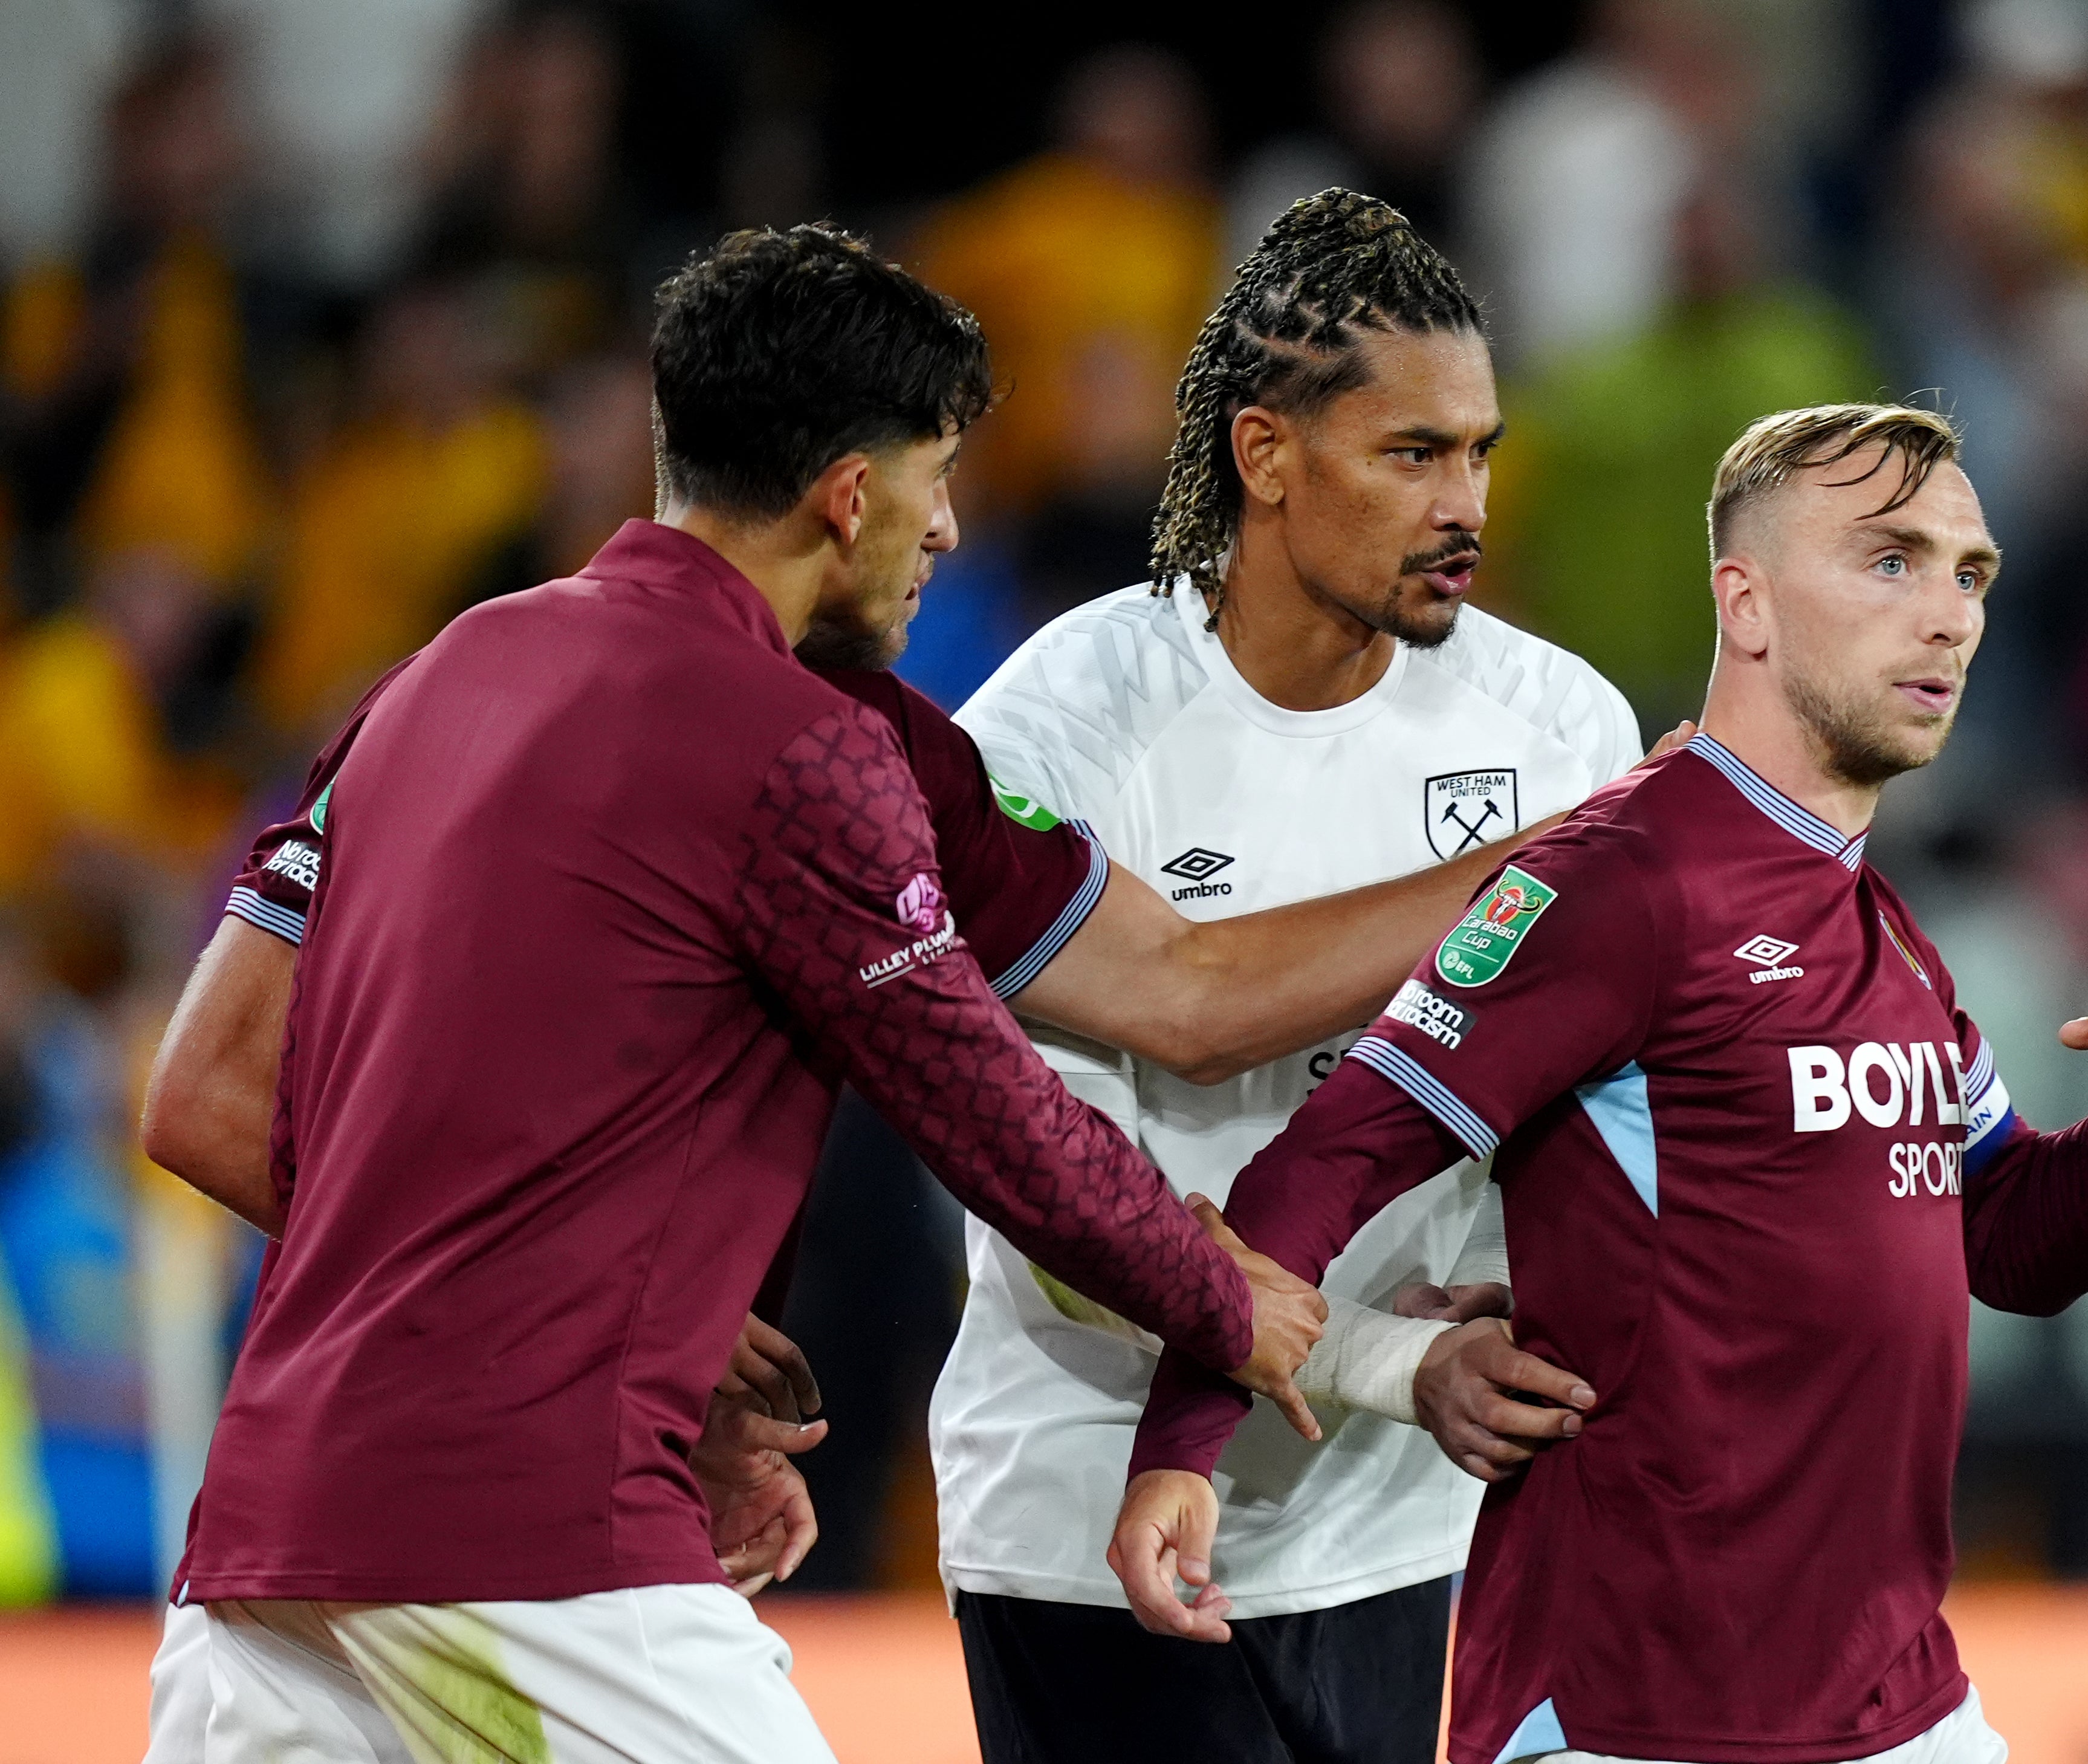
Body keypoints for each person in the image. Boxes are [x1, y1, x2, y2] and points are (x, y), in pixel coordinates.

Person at [134, 219, 1564, 1759]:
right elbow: (994, 1115)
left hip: (265, 1545)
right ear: (852, 493)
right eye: (940, 477)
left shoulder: (434, 678)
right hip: (541, 1545)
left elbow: (204, 1095)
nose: (950, 530)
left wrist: (604, 1305)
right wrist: (1243, 1304)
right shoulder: (799, 749)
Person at [1115, 403, 2088, 1764]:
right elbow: (1330, 1157)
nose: (1949, 614)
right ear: (1747, 602)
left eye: (1970, 573)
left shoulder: (1886, 926)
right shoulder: (1623, 879)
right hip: (1640, 1716)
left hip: (1905, 1709)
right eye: (1891, 561)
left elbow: (2004, 1234)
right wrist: (1181, 1439)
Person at [935, 190, 1645, 1764]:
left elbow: (1591, 1111)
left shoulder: (1555, 721)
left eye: (1480, 450)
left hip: (1402, 1525)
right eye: (1412, 454)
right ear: (1264, 457)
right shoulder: (1058, 729)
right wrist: (1404, 1361)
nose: (1464, 499)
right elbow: (1057, 1210)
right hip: (1089, 1506)